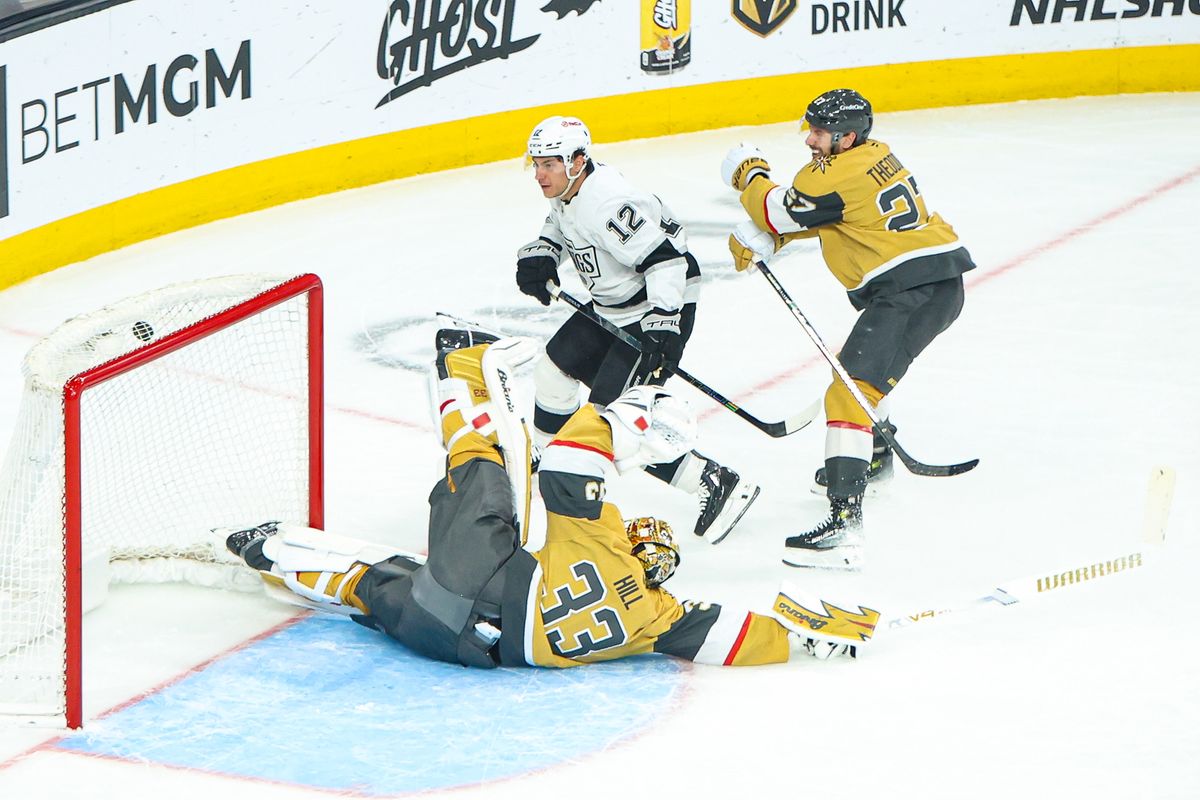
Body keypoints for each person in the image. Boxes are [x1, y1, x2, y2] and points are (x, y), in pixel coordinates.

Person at [222, 331, 864, 668]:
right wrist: (801, 640)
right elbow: (726, 636)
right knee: (375, 581)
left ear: (639, 549)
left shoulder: (604, 541)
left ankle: (459, 368)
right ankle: (261, 552)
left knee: (482, 466)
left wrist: (625, 418)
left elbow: (566, 466)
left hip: (485, 573)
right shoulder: (656, 619)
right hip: (459, 643)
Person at [720, 88, 976, 569]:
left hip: (912, 291)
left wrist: (749, 174)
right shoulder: (873, 156)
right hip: (927, 282)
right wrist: (774, 238)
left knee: (848, 393)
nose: (810, 140)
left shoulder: (834, 173)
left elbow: (775, 208)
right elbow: (836, 214)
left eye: (819, 133)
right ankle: (873, 460)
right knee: (858, 380)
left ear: (847, 137)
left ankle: (844, 526)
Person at [515, 115, 758, 546]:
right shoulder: (571, 188)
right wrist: (545, 253)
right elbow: (562, 221)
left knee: (615, 422)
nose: (539, 175)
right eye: (536, 164)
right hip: (614, 305)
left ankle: (715, 480)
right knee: (552, 372)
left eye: (548, 165)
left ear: (576, 162)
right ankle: (553, 459)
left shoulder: (606, 202)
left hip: (657, 306)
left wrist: (663, 325)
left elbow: (666, 261)